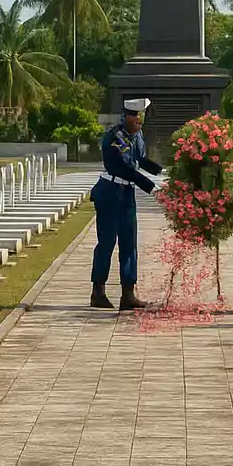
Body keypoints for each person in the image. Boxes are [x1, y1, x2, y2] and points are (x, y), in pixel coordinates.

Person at [91, 98, 162, 311]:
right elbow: (123, 169)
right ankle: (98, 292)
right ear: (126, 116)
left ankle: (128, 293)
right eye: (135, 116)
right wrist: (152, 188)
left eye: (142, 116)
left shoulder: (137, 135)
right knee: (107, 242)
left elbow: (141, 160)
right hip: (110, 193)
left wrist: (165, 172)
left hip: (126, 194)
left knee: (129, 243)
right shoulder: (115, 138)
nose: (139, 120)